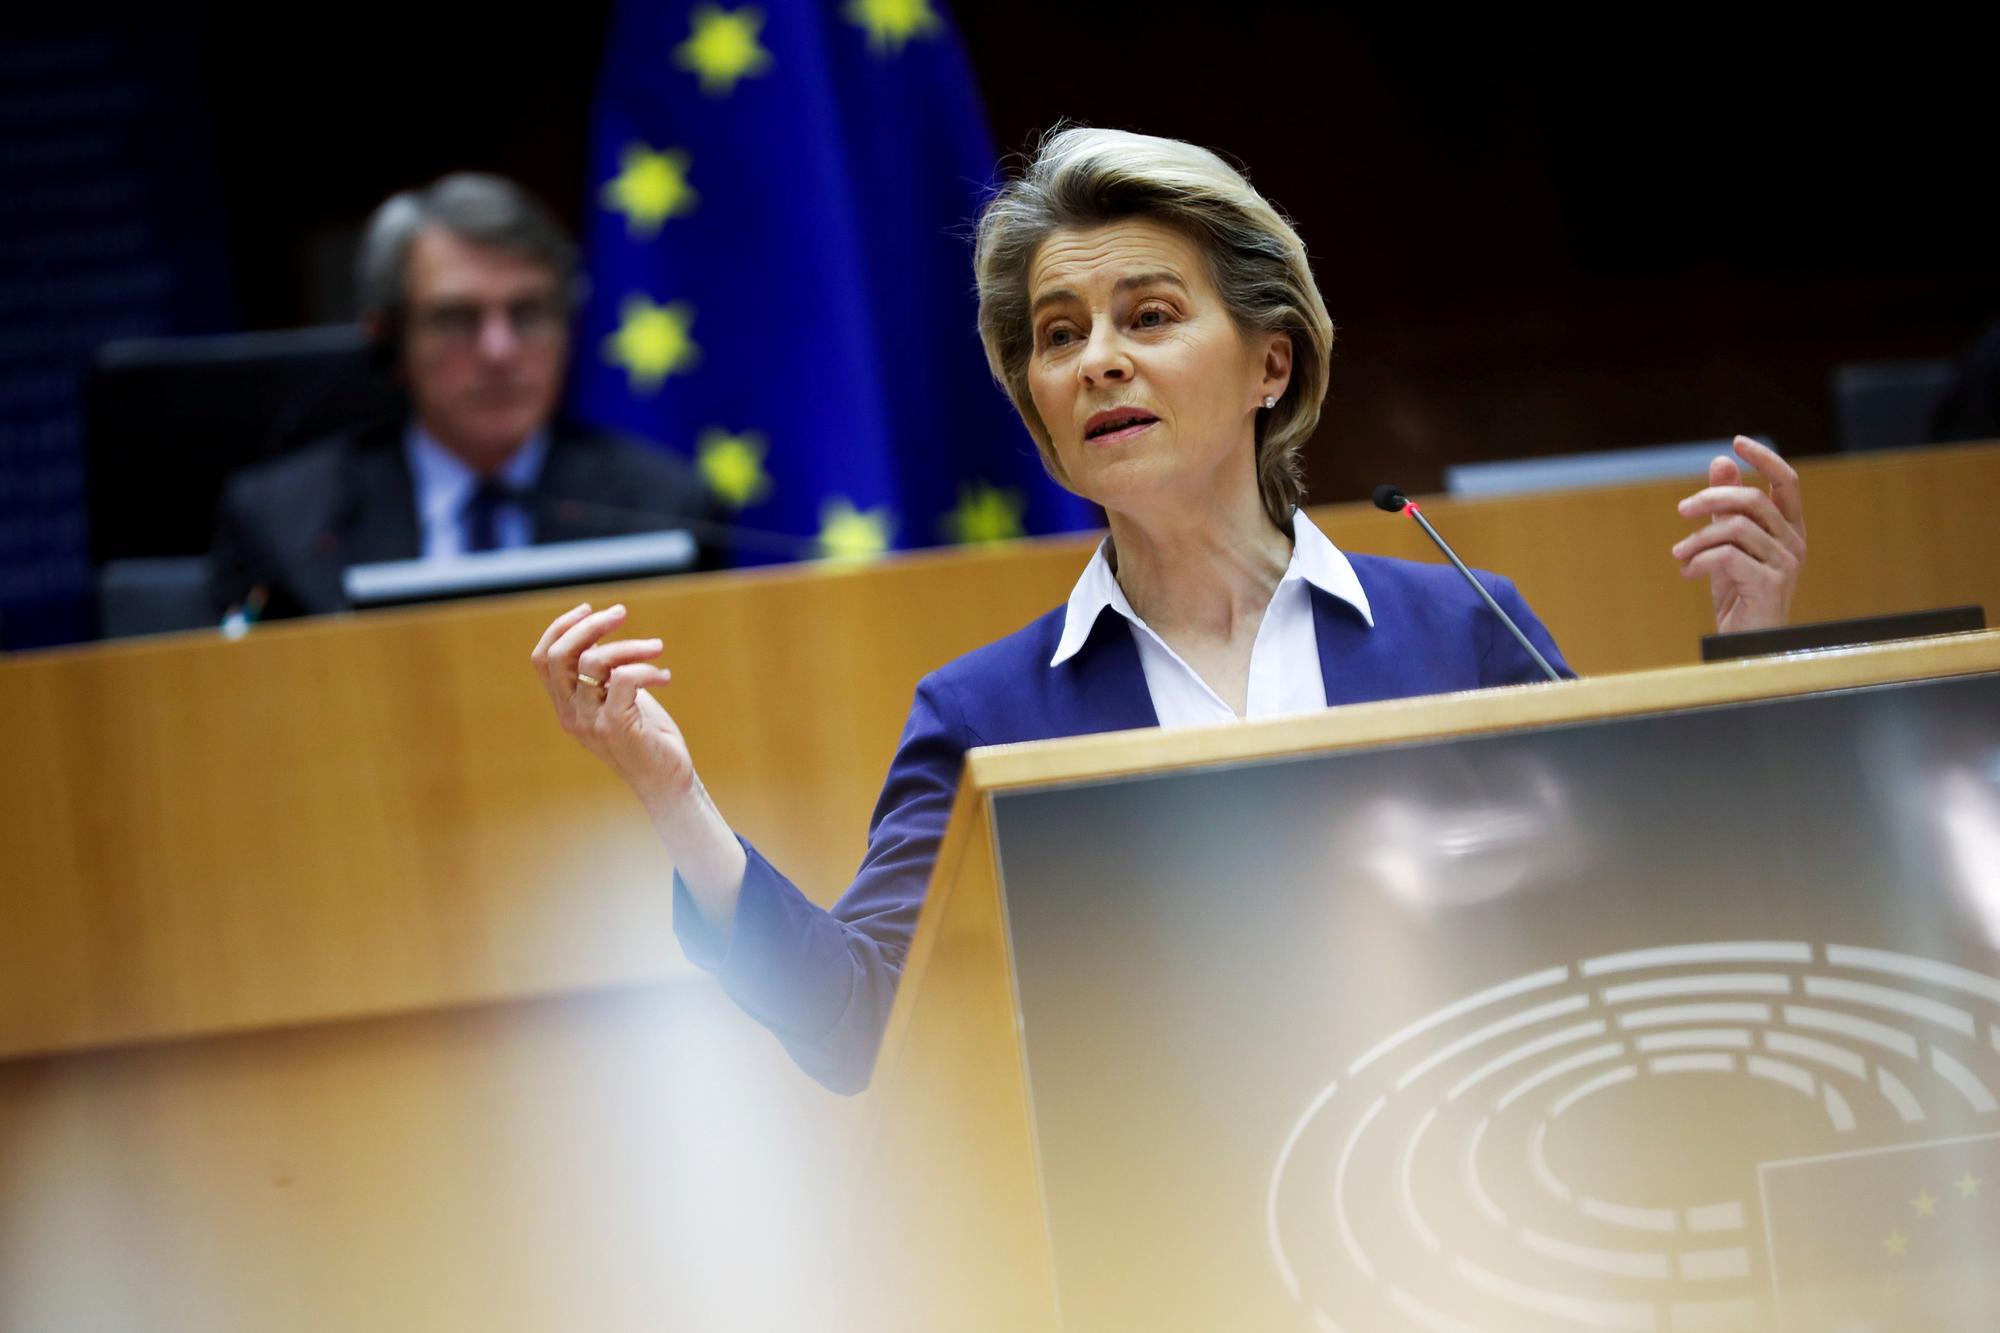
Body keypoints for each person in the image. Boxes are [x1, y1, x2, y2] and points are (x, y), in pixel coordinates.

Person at [530, 129, 1808, 1093]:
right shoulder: (987, 710)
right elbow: (855, 1024)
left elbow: (1656, 928)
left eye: (1147, 316)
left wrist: (1752, 656)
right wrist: (669, 793)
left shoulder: (1460, 628)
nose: (1096, 359)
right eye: (1057, 334)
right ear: (1040, 414)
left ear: (1270, 362)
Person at [210, 173, 716, 621]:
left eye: (529, 313)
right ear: (390, 339)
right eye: (455, 318)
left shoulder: (666, 504)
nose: (499, 350)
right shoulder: (283, 520)